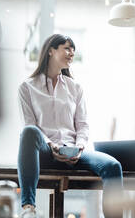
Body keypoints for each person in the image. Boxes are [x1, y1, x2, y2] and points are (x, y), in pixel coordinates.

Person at [17, 34, 123, 217]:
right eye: (67, 48)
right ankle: (28, 208)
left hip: (74, 152)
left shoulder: (75, 88)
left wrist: (80, 147)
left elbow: (82, 125)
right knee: (28, 131)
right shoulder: (27, 87)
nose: (71, 53)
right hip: (45, 152)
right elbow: (30, 124)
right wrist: (52, 145)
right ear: (51, 50)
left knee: (113, 166)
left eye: (73, 50)